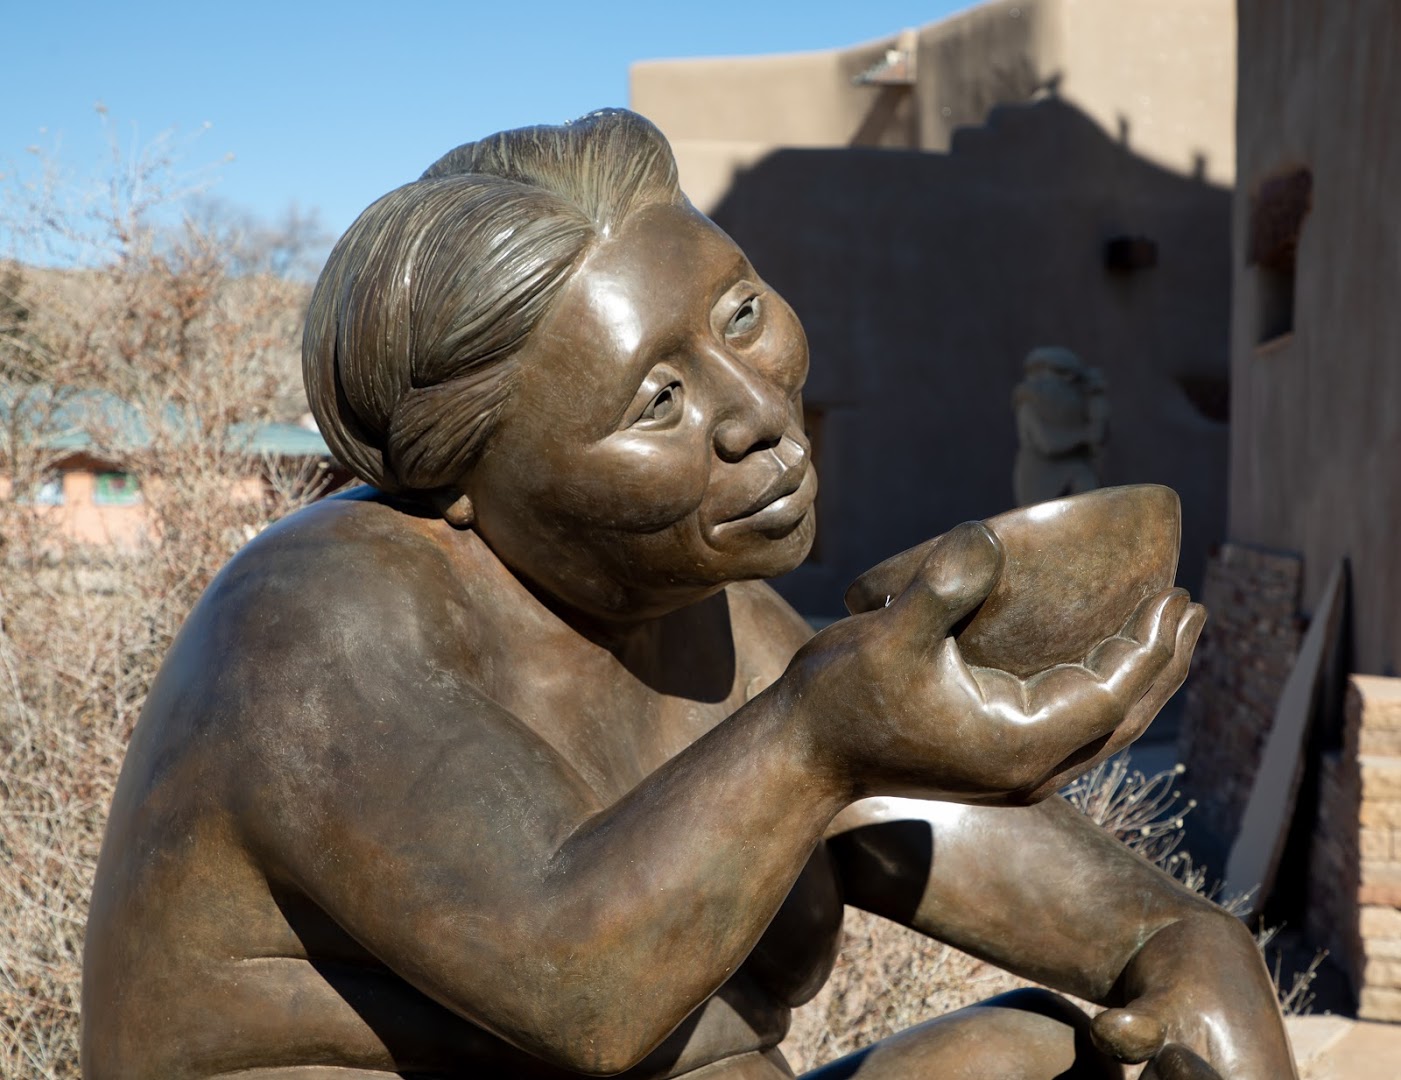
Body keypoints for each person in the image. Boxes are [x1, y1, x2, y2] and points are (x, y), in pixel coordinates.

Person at [82, 110, 1295, 1080]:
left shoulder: (696, 602)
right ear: (464, 481)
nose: (758, 409)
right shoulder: (310, 631)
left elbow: (916, 802)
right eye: (656, 402)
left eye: (741, 313)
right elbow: (582, 988)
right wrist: (820, 732)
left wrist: (1187, 946)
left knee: (1037, 1057)